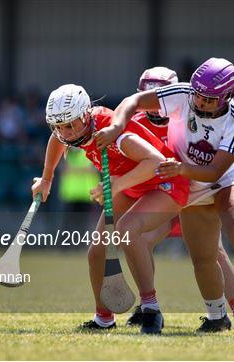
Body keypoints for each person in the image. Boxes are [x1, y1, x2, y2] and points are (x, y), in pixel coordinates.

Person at [96, 58, 234, 334]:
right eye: (198, 94)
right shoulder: (183, 94)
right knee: (203, 256)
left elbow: (214, 172)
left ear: (227, 96)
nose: (199, 101)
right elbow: (135, 101)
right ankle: (215, 316)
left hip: (226, 177)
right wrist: (117, 126)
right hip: (187, 179)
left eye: (209, 99)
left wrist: (180, 168)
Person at [31, 84, 189, 334]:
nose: (66, 133)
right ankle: (104, 318)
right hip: (131, 185)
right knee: (97, 252)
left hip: (165, 182)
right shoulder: (75, 129)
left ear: (85, 114)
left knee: (128, 230)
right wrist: (47, 178)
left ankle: (151, 308)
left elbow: (156, 162)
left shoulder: (113, 131)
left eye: (70, 125)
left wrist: (117, 184)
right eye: (59, 126)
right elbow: (57, 140)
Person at [125, 66, 234, 328]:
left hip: (195, 191)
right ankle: (146, 305)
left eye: (159, 93)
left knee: (214, 251)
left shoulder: (182, 110)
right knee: (141, 239)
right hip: (169, 196)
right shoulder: (135, 123)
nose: (154, 102)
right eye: (148, 93)